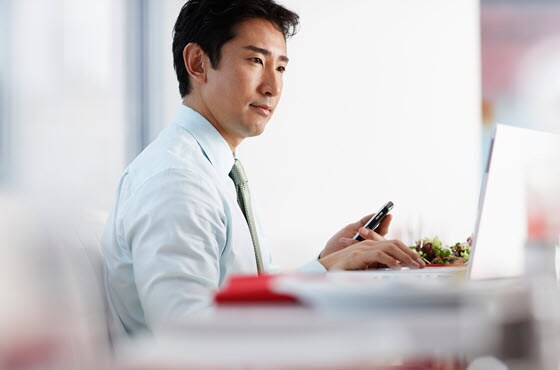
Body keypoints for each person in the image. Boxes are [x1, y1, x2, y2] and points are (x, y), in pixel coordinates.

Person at [101, 0, 424, 336]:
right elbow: (188, 334)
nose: (272, 87)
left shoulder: (214, 170)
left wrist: (325, 264)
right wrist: (325, 271)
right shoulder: (177, 181)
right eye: (256, 60)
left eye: (281, 67)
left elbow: (241, 301)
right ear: (198, 63)